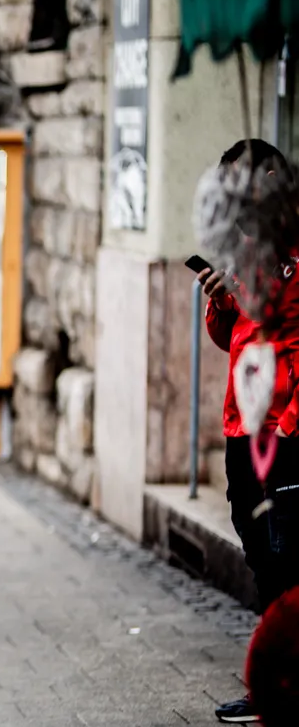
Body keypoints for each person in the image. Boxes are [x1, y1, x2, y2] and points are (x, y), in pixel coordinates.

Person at [198, 139, 299, 724]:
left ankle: (282, 687)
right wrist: (220, 304)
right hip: (244, 426)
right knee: (262, 554)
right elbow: (233, 339)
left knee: (290, 560)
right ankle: (276, 680)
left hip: (285, 432)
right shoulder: (246, 248)